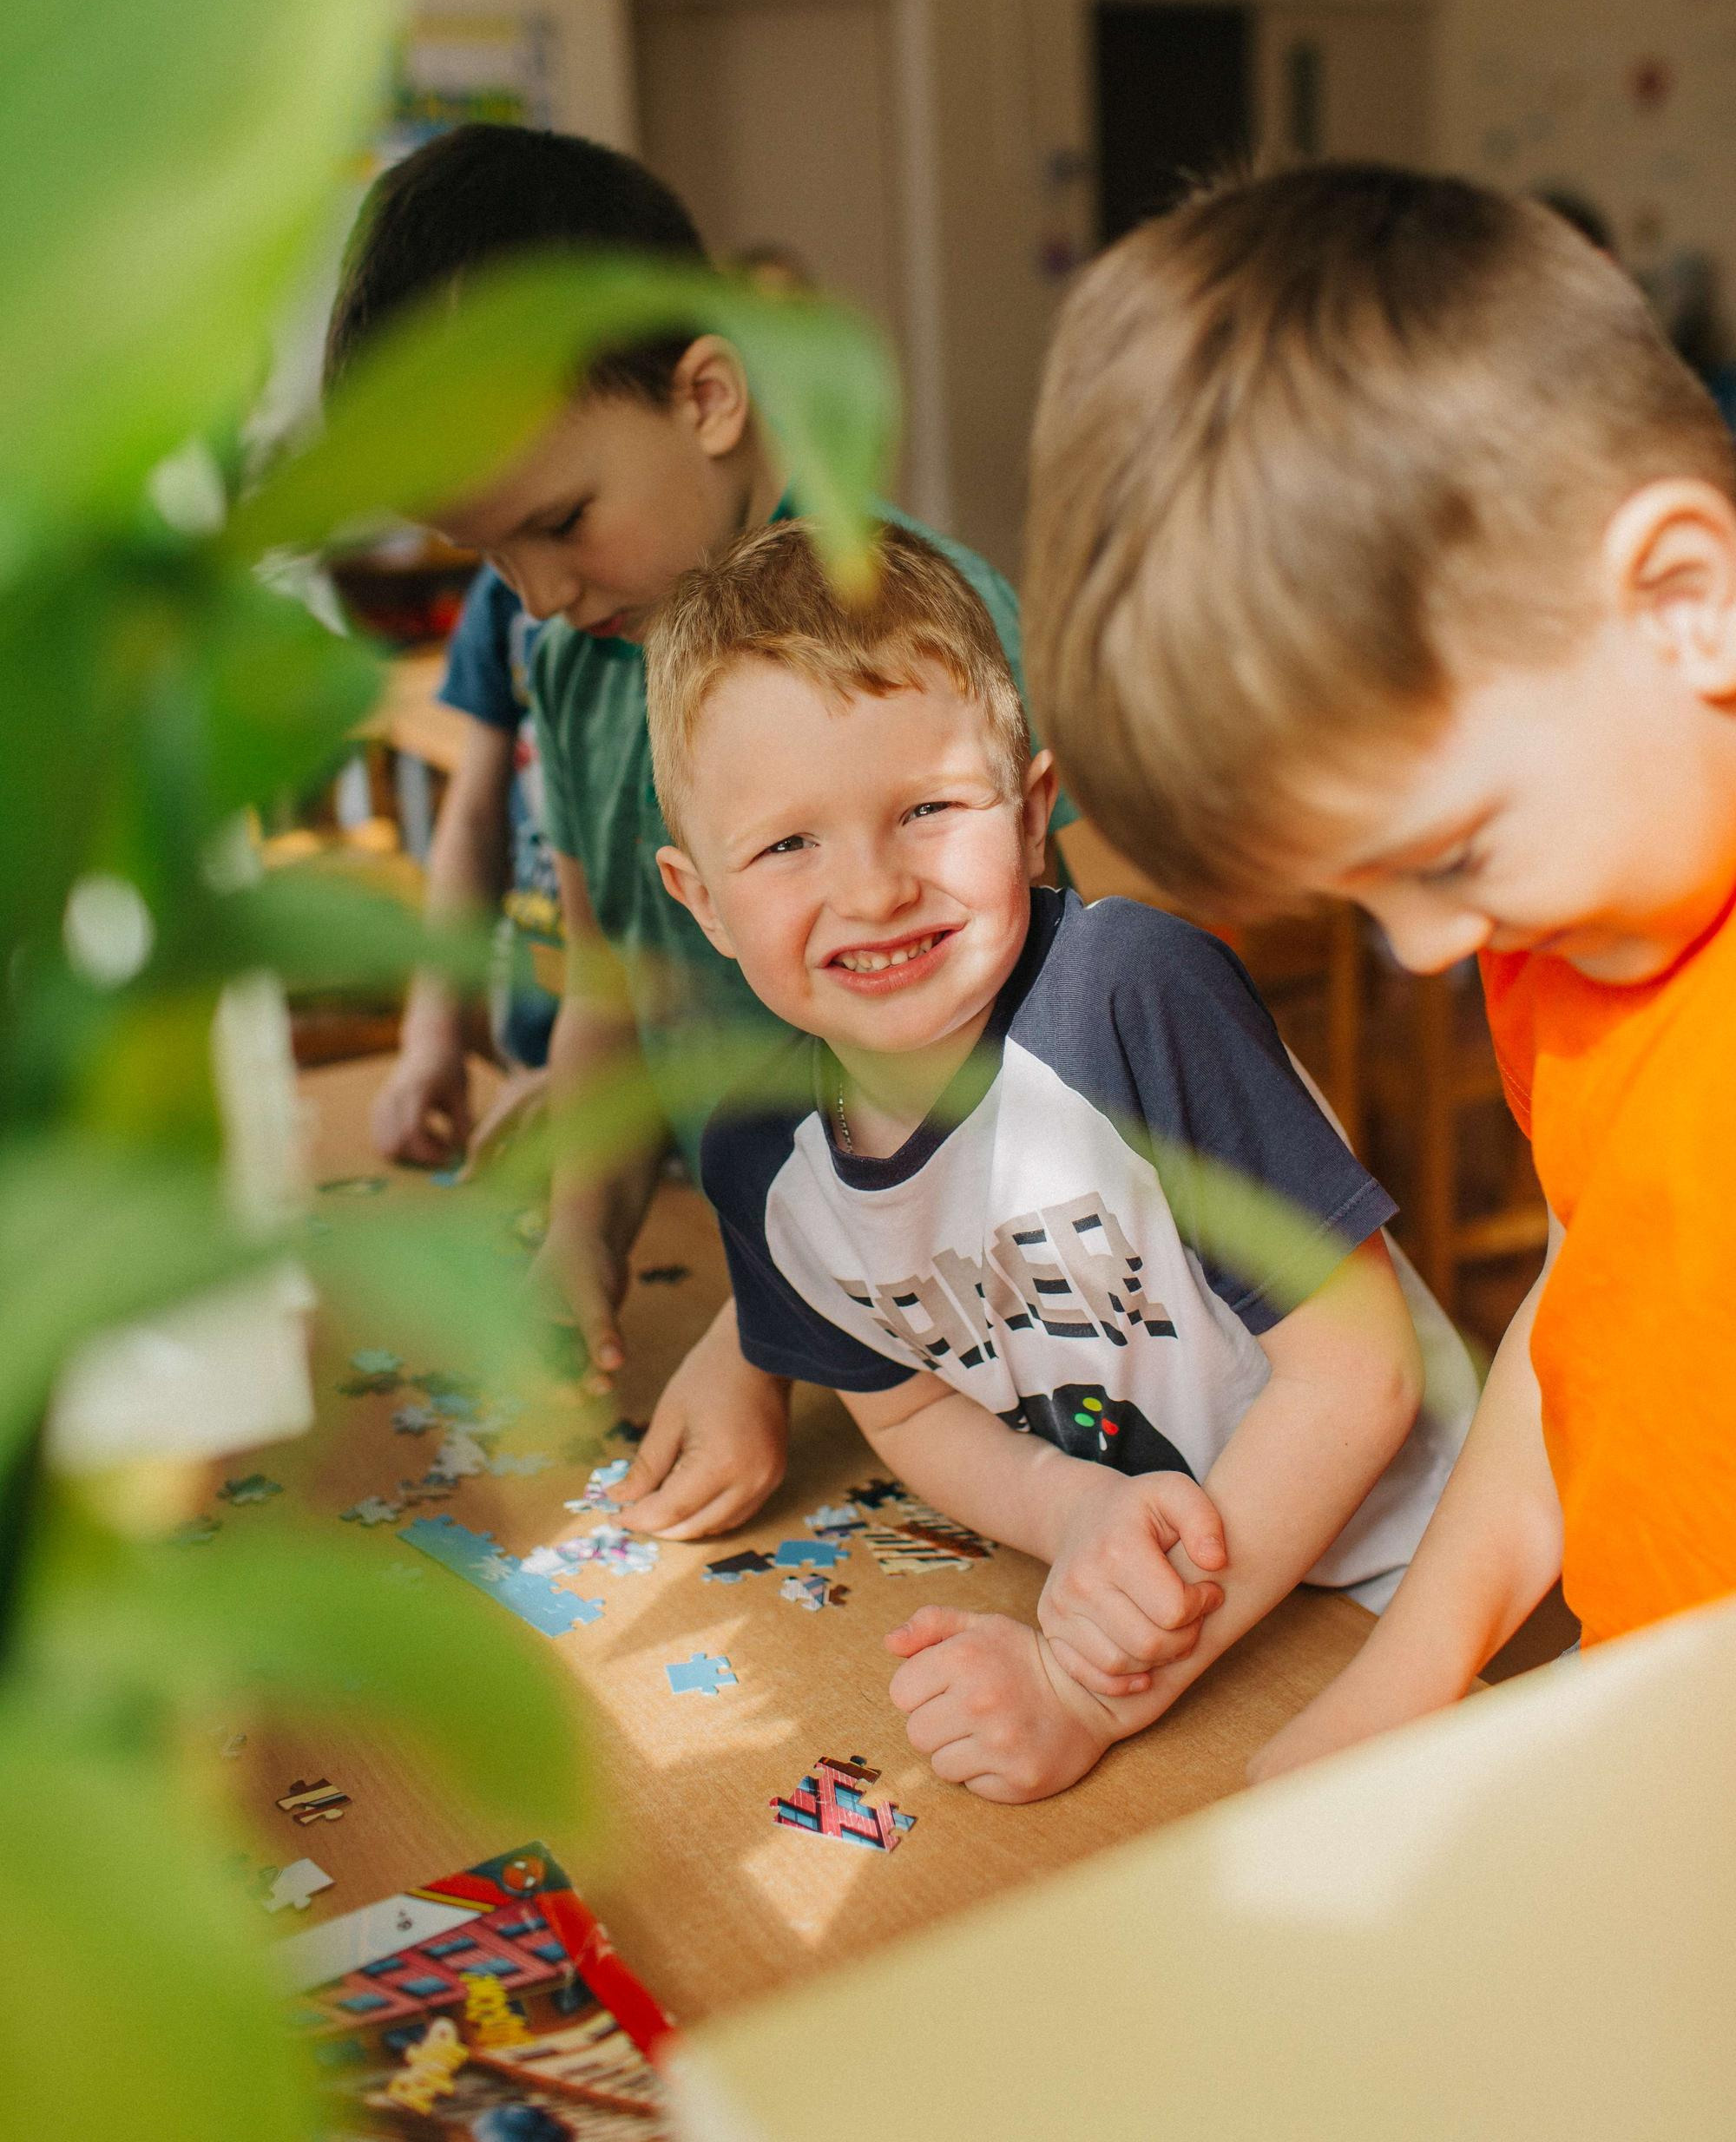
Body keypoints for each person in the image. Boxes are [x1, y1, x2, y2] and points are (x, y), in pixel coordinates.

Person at [1021, 159, 1736, 1780]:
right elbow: (1595, 1298)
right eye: (1363, 898)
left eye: (1451, 855)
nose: (1423, 947)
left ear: (1686, 603)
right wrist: (1400, 1682)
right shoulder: (1575, 931)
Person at [643, 519, 1475, 1802]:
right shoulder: (761, 1159)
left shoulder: (1134, 995)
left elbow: (1362, 1378)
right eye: (787, 845)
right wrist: (1070, 1508)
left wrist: (1090, 1684)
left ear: (1032, 817)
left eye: (926, 809)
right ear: (699, 900)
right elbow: (909, 1405)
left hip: (1408, 1599)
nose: (872, 892)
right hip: (1172, 1630)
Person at [324, 122, 1065, 1539]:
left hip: (999, 1330)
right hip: (767, 1291)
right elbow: (618, 987)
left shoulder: (916, 626)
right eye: (491, 557)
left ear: (708, 398)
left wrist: (766, 1335)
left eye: (562, 520)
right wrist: (582, 1239)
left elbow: (1018, 1039)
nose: (535, 594)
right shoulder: (576, 662)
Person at [370, 563, 560, 1166]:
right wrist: (431, 1034)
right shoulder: (507, 591)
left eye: (563, 522)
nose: (538, 587)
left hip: (694, 1090)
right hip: (542, 1063)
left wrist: (598, 1073)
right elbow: (474, 818)